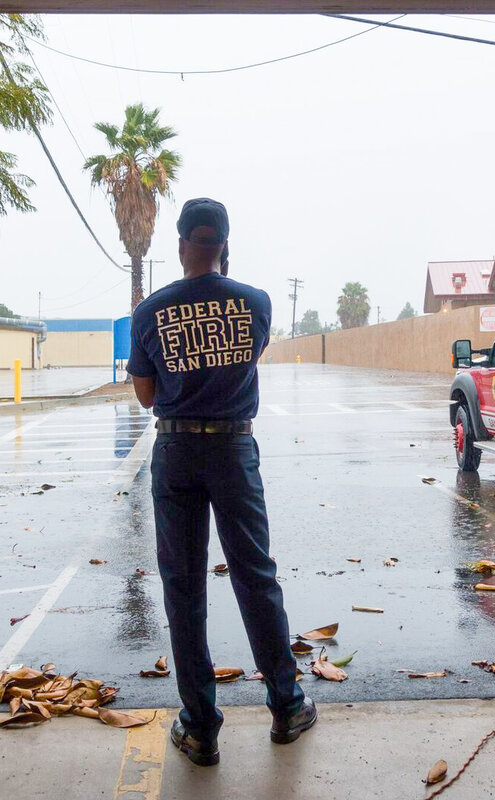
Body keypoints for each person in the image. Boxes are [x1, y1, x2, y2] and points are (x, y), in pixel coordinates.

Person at [127, 197, 316, 767]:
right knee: (256, 575)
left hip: (178, 448)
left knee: (184, 587)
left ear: (181, 245)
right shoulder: (256, 303)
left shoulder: (150, 311)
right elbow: (248, 359)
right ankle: (285, 705)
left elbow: (145, 393)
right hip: (235, 448)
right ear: (225, 247)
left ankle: (200, 726)